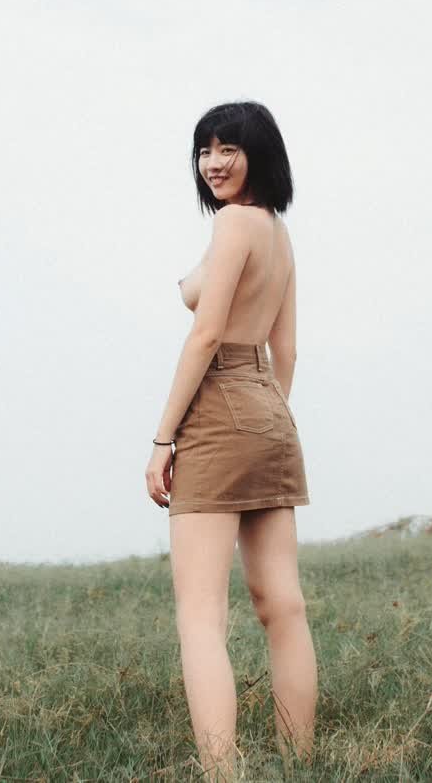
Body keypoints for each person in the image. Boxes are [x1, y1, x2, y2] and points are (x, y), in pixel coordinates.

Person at [146, 100, 315, 780]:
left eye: (228, 149)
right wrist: (264, 415)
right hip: (270, 406)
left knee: (200, 616)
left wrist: (163, 439)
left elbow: (207, 333)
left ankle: (222, 772)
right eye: (204, 150)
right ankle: (299, 762)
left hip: (219, 403)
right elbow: (287, 349)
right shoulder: (276, 232)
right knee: (283, 604)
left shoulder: (233, 224)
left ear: (258, 155)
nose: (212, 163)